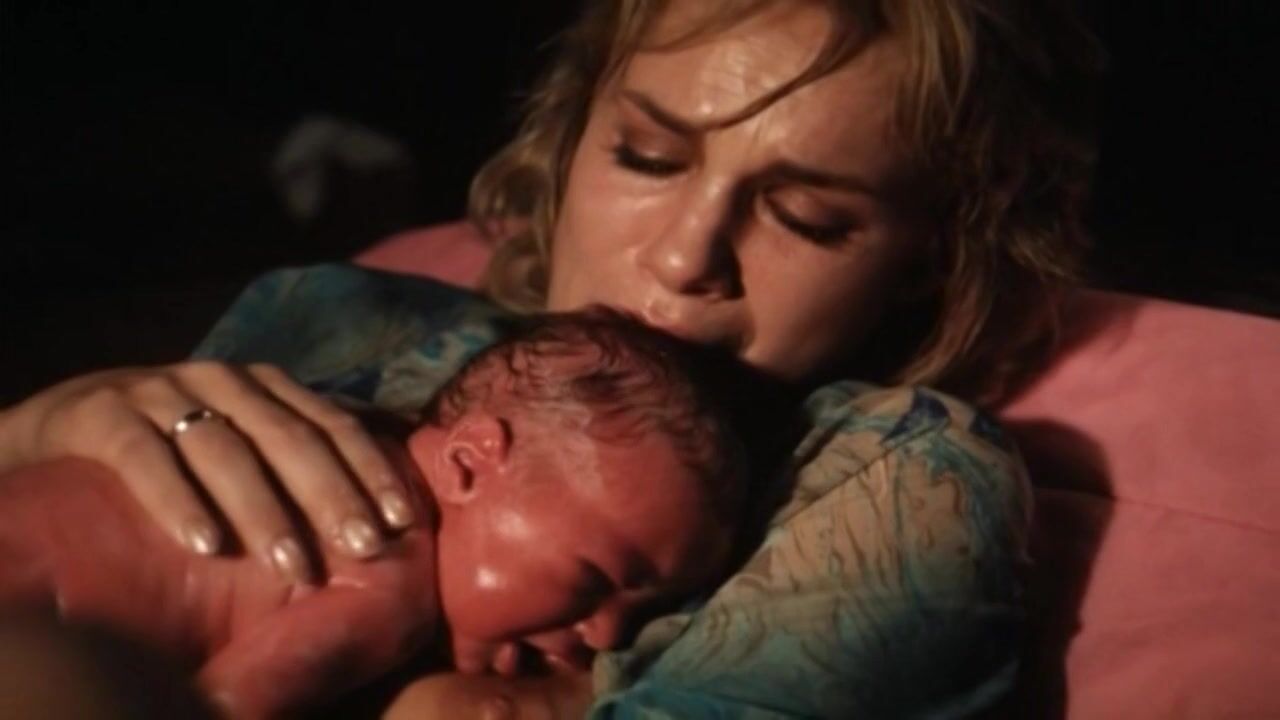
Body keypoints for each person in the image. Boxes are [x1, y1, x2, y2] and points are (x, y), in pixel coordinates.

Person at [0, 1, 1101, 716]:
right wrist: (34, 429)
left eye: (805, 217)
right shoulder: (336, 308)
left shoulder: (896, 474)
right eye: (647, 156)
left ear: (925, 260)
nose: (684, 256)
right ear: (571, 143)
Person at [0, 309, 746, 718]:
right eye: (596, 579)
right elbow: (223, 707)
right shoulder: (389, 584)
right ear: (466, 463)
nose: (608, 635)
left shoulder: (336, 420)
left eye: (640, 612)